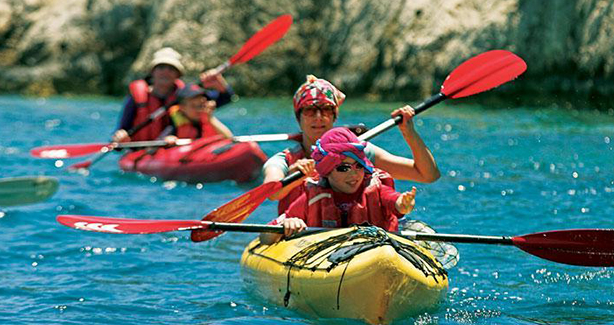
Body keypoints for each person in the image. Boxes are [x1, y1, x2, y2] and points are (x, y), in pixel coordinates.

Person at [262, 75, 440, 215]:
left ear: (334, 116)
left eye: (325, 109)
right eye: (309, 110)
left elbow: (427, 175)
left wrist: (409, 132)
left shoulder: (359, 153)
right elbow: (272, 192)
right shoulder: (282, 161)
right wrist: (294, 174)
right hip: (302, 234)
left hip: (356, 235)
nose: (318, 117)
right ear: (298, 118)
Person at [260, 127, 417, 244]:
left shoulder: (375, 189)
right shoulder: (313, 196)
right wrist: (288, 223)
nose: (354, 174)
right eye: (343, 168)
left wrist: (404, 204)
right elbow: (265, 236)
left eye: (359, 166)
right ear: (327, 171)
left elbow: (395, 201)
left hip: (380, 251)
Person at [112, 47, 235, 142]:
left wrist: (219, 83)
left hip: (176, 148)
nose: (166, 72)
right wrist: (121, 136)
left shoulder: (187, 95)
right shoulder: (136, 98)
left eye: (171, 69)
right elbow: (122, 129)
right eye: (161, 67)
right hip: (143, 151)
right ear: (152, 72)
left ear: (178, 74)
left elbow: (226, 98)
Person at [160, 83, 233, 143]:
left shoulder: (208, 119)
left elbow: (230, 139)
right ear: (182, 108)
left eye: (201, 105)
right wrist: (169, 139)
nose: (199, 109)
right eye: (194, 106)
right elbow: (163, 139)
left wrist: (210, 118)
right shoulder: (174, 126)